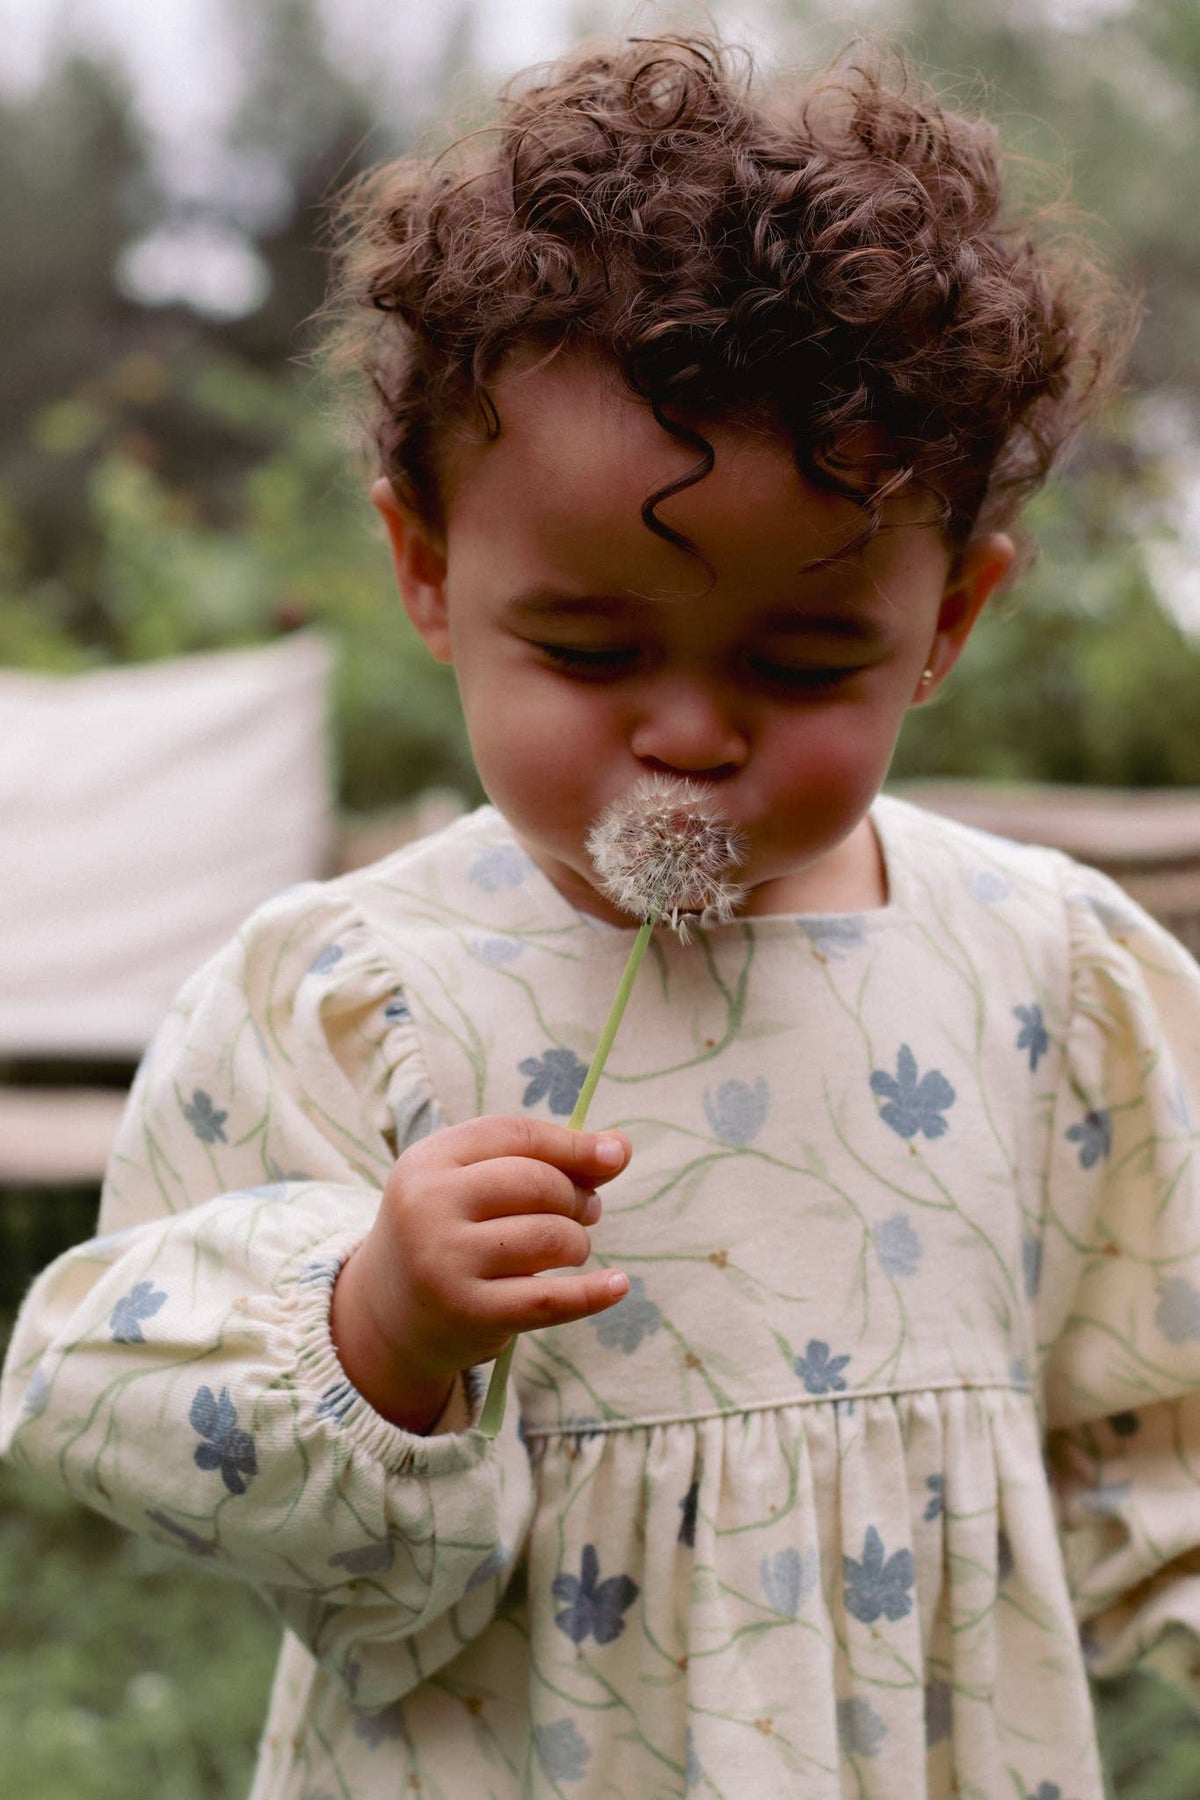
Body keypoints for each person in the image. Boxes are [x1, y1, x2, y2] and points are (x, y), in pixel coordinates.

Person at [2, 31, 1196, 1800]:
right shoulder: (351, 996)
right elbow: (99, 1399)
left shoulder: (1045, 972)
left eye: (804, 661)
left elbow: (1150, 1393)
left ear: (948, 621)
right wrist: (376, 1324)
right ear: (428, 568)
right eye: (590, 648)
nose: (693, 732)